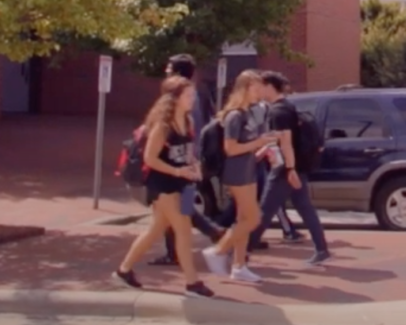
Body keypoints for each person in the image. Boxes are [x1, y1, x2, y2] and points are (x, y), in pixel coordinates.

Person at [111, 75, 215, 299]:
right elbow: (150, 158)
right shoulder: (163, 126)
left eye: (193, 94)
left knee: (155, 230)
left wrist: (194, 166)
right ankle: (192, 282)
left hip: (182, 184)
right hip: (162, 184)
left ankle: (123, 271)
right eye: (188, 95)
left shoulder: (188, 122)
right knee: (184, 230)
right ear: (174, 99)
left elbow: (187, 153)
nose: (193, 98)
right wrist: (177, 171)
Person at [203, 71, 280, 284]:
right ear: (245, 88)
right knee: (254, 218)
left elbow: (245, 150)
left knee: (243, 219)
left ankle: (239, 266)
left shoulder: (247, 114)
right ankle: (218, 251)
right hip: (237, 174)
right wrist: (258, 142)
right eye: (256, 88)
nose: (259, 93)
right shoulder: (235, 115)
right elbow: (230, 148)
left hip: (247, 170)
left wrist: (264, 148)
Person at [248, 71, 331, 266]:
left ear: (269, 86)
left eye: (260, 86)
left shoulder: (279, 111)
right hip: (293, 167)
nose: (258, 90)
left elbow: (285, 142)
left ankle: (243, 252)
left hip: (284, 169)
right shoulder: (287, 107)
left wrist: (289, 168)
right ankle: (322, 249)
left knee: (265, 210)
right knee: (305, 208)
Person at [154, 54, 225, 268]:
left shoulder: (179, 98)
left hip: (176, 163)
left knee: (170, 210)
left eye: (169, 68)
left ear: (175, 72)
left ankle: (179, 250)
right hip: (191, 160)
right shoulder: (199, 94)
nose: (165, 70)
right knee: (184, 209)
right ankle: (213, 234)